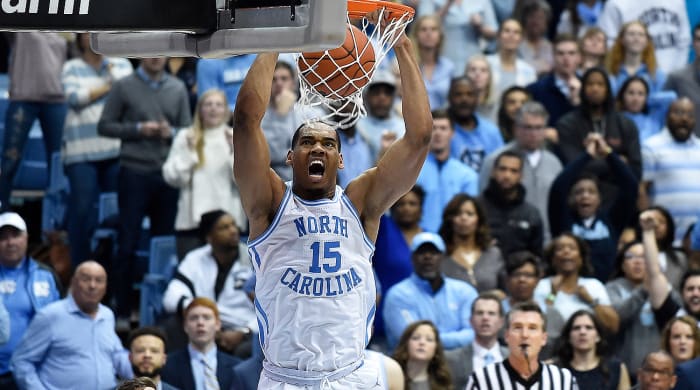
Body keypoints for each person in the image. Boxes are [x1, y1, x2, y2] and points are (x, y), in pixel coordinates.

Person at [232, 16, 433, 387]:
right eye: (307, 142)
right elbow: (246, 120)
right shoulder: (270, 203)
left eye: (328, 143)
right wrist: (278, 38)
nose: (317, 148)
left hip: (350, 375)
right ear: (290, 157)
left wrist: (401, 44)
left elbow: (420, 137)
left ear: (340, 160)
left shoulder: (361, 203)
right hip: (285, 378)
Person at [98, 57, 192, 325]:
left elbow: (186, 130)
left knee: (163, 245)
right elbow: (104, 126)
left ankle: (160, 315)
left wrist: (169, 132)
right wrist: (139, 129)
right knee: (127, 242)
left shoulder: (177, 87)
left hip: (167, 174)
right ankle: (123, 312)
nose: (155, 56)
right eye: (150, 51)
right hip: (133, 172)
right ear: (141, 55)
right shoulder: (124, 85)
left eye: (161, 52)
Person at [61, 32, 133, 268]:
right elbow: (75, 98)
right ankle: (78, 269)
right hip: (81, 151)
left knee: (117, 216)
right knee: (81, 212)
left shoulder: (121, 63)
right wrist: (110, 86)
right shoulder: (71, 67)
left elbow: (130, 97)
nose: (93, 35)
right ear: (80, 39)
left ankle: (107, 271)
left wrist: (106, 85)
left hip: (115, 150)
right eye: (87, 32)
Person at [10, 261, 131, 389]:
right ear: (73, 282)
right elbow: (21, 361)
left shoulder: (107, 315)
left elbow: (117, 355)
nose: (92, 285)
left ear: (105, 287)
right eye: (86, 279)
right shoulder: (50, 316)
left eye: (99, 280)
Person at [162, 89, 245, 260]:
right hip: (190, 224)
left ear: (226, 111)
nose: (213, 109)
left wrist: (233, 153)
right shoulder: (186, 137)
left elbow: (245, 183)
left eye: (218, 105)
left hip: (227, 222)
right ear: (200, 109)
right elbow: (172, 177)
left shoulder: (235, 137)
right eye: (208, 104)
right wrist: (189, 155)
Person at [162, 210, 256, 357]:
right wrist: (203, 313)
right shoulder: (195, 259)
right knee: (172, 326)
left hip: (242, 328)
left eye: (233, 225)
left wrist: (244, 332)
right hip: (203, 323)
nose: (233, 231)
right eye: (224, 228)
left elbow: (272, 308)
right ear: (209, 237)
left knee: (247, 349)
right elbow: (171, 297)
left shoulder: (255, 259)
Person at [548, 132, 639, 282]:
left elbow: (630, 187)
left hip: (605, 289)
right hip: (568, 286)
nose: (585, 196)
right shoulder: (563, 221)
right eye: (579, 192)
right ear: (571, 198)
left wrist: (608, 153)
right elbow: (558, 188)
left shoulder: (611, 220)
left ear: (599, 199)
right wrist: (586, 156)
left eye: (591, 192)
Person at [0, 33, 68, 211]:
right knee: (10, 159)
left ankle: (57, 220)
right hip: (23, 97)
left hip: (56, 99)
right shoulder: (24, 19)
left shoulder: (66, 24)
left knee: (58, 163)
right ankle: (2, 208)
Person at [480, 102, 563, 244]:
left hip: (546, 239)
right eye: (528, 127)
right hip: (504, 239)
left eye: (538, 128)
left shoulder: (554, 163)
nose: (533, 133)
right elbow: (483, 202)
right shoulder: (496, 160)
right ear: (516, 128)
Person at [383, 233, 479, 351]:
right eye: (421, 252)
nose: (427, 257)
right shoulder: (398, 295)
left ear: (443, 257)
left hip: (461, 364)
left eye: (433, 252)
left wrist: (429, 339)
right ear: (412, 258)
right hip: (410, 365)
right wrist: (458, 339)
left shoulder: (464, 291)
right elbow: (411, 339)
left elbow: (475, 332)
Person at [0, 212, 61, 390]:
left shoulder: (47, 275)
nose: (10, 242)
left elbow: (62, 319)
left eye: (16, 235)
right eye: (3, 237)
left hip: (36, 373)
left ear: (26, 237)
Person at [555, 67, 642, 185]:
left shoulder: (625, 124)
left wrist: (602, 154)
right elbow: (572, 167)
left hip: (617, 193)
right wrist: (619, 162)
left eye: (600, 84)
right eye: (590, 84)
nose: (595, 89)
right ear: (583, 89)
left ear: (607, 90)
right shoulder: (567, 124)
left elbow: (636, 171)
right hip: (579, 192)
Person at [466, 302, 578, 389]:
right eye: (517, 327)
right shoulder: (482, 379)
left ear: (544, 338)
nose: (525, 335)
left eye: (532, 328)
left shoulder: (563, 379)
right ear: (506, 336)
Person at [534, 233, 620, 336]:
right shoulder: (542, 286)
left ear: (581, 258)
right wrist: (552, 295)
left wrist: (591, 301)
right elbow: (538, 325)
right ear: (553, 259)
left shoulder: (594, 285)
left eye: (572, 248)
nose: (566, 251)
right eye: (560, 249)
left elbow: (613, 326)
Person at [640, 97, 700, 243]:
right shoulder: (651, 147)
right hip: (664, 237)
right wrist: (648, 226)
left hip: (696, 239)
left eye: (689, 115)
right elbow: (642, 189)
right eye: (678, 113)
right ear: (667, 116)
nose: (684, 119)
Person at [373, 186, 426, 342]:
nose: (406, 208)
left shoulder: (430, 238)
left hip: (421, 309)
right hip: (384, 309)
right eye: (401, 204)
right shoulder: (382, 229)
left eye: (412, 203)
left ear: (421, 207)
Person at [416, 109, 478, 233]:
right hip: (419, 237)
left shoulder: (467, 175)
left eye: (443, 128)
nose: (438, 133)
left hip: (454, 238)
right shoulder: (412, 172)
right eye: (433, 128)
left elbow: (471, 213)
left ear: (452, 133)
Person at [605, 240, 661, 375]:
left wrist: (654, 282)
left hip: (658, 370)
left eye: (644, 257)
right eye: (631, 257)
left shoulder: (662, 288)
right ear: (623, 264)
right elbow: (617, 319)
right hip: (623, 368)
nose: (637, 262)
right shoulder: (612, 288)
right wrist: (644, 290)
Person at [160, 298, 240, 390]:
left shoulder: (237, 367)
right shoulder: (167, 366)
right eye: (194, 318)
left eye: (206, 317)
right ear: (185, 326)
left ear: (218, 324)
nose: (200, 323)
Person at [639, 210, 700, 330]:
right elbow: (654, 273)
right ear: (681, 293)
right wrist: (648, 231)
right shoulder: (674, 315)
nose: (695, 293)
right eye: (690, 289)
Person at [479, 150, 544, 257]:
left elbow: (537, 256)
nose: (507, 175)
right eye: (502, 169)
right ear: (493, 172)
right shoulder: (477, 208)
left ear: (521, 176)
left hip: (518, 271)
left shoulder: (531, 214)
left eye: (513, 171)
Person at [597, 0, 690, 74]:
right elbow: (610, 42)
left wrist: (677, 74)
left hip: (674, 75)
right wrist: (629, 72)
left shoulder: (677, 2)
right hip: (631, 78)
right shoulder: (616, 3)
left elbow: (684, 42)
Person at [438, 194, 505, 293]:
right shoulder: (440, 255)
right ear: (450, 219)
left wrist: (500, 295)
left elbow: (506, 290)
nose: (464, 218)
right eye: (457, 214)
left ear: (479, 219)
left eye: (470, 214)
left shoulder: (493, 254)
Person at [445, 293, 509, 389]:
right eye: (480, 313)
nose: (485, 318)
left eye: (491, 313)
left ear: (501, 322)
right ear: (471, 320)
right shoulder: (451, 359)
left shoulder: (514, 357)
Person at [554, 310, 630, 390]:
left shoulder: (616, 368)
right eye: (576, 328)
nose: (582, 332)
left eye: (589, 327)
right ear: (569, 337)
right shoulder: (555, 370)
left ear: (598, 336)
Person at [416, 0, 498, 74]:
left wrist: (480, 26)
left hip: (472, 62)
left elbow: (494, 33)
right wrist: (447, 5)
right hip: (443, 60)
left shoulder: (482, 2)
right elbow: (422, 25)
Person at [447, 77, 504, 172]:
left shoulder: (491, 131)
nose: (464, 99)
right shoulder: (438, 129)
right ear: (449, 98)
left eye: (470, 94)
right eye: (458, 94)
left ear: (477, 98)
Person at [526, 34, 582, 126]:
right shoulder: (536, 90)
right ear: (553, 56)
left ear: (579, 57)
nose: (566, 58)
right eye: (560, 53)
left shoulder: (588, 87)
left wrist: (577, 102)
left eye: (571, 53)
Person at [356, 71, 406, 161]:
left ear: (393, 97)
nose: (382, 98)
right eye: (376, 92)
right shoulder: (358, 127)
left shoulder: (403, 127)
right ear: (367, 96)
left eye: (387, 93)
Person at [409, 15, 454, 110]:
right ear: (416, 34)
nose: (428, 33)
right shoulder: (407, 64)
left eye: (433, 29)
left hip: (441, 118)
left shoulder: (448, 67)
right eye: (423, 29)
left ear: (440, 35)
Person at [487, 19, 537, 103]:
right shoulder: (486, 64)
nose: (511, 35)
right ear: (498, 36)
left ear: (521, 39)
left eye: (516, 32)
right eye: (507, 31)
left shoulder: (529, 71)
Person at [392, 320, 452, 390]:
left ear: (436, 348)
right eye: (416, 338)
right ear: (406, 344)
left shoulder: (442, 381)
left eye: (429, 339)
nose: (422, 342)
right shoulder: (390, 376)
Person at [664, 24, 700, 137]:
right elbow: (663, 115)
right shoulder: (677, 78)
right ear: (693, 44)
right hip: (687, 148)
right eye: (699, 39)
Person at [616, 76, 675, 142]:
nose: (635, 99)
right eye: (631, 93)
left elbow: (672, 97)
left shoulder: (654, 119)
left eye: (640, 94)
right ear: (622, 95)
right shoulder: (615, 119)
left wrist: (648, 100)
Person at [518, 0, 554, 76]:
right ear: (525, 20)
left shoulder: (550, 47)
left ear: (546, 23)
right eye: (532, 16)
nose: (535, 21)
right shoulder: (516, 44)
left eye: (540, 18)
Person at [465, 55, 498, 121]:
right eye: (473, 70)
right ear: (465, 75)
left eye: (483, 70)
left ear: (489, 77)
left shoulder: (498, 104)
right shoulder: (457, 104)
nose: (477, 74)